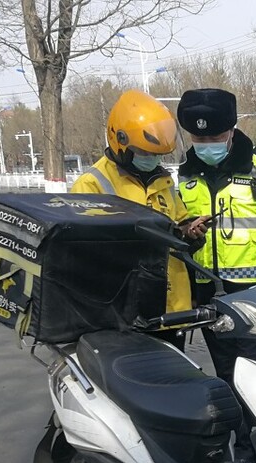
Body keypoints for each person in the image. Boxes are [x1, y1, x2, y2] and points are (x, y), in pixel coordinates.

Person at [175, 88, 256, 385]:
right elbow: (180, 233)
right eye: (199, 140)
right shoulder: (186, 172)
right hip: (210, 295)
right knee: (227, 374)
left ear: (232, 130)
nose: (206, 146)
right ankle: (241, 432)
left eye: (215, 138)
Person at [71, 89, 199, 349]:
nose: (151, 160)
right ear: (119, 140)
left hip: (170, 309)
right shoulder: (93, 184)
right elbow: (84, 254)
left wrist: (190, 231)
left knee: (173, 380)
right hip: (125, 312)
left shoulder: (163, 180)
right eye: (145, 153)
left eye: (157, 155)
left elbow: (179, 221)